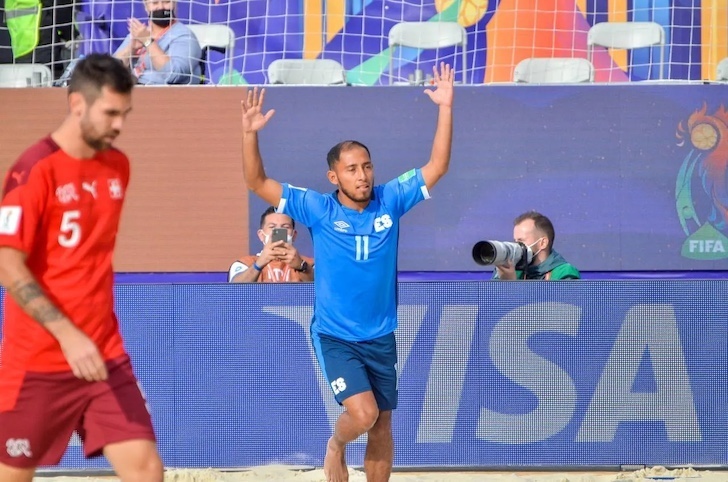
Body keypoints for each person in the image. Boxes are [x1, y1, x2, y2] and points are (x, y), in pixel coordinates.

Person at [240, 63, 454, 482]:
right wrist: (250, 133)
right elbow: (256, 181)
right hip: (336, 335)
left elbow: (438, 165)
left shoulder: (391, 199)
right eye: (352, 169)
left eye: (367, 166)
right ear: (333, 176)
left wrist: (445, 107)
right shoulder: (319, 208)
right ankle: (336, 446)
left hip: (381, 335)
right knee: (364, 414)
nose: (363, 175)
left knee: (383, 426)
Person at [0, 53, 163, 482]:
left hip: (103, 354)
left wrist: (89, 338)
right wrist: (68, 335)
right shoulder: (33, 171)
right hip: (38, 361)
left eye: (125, 114)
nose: (119, 125)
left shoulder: (118, 166)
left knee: (147, 470)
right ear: (77, 104)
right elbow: (7, 263)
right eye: (110, 113)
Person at [113, 0, 201, 85]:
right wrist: (130, 49)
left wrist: (148, 42)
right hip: (131, 89)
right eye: (155, 3)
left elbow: (173, 75)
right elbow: (111, 71)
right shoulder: (140, 33)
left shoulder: (184, 35)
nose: (161, 7)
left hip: (163, 92)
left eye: (167, 2)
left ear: (174, 4)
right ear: (146, 7)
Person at [228, 206, 314, 283]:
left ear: (294, 235)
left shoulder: (310, 264)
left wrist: (302, 267)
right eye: (272, 227)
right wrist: (258, 264)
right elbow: (234, 291)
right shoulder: (245, 263)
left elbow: (321, 287)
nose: (278, 231)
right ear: (261, 235)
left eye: (285, 227)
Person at [493, 211, 580, 280]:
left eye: (521, 241)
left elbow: (559, 298)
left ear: (543, 243)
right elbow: (490, 297)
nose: (516, 246)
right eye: (515, 241)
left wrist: (511, 285)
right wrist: (502, 279)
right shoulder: (512, 270)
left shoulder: (564, 273)